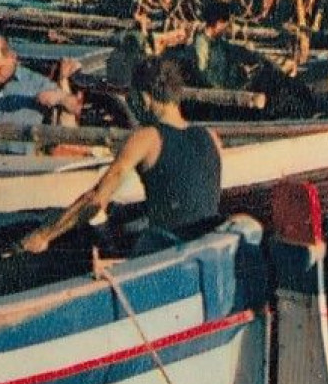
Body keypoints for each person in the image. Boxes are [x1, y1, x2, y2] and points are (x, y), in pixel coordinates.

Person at [22, 56, 221, 257]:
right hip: (210, 245)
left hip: (171, 252)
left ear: (144, 98)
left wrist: (44, 235)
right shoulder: (211, 136)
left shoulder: (147, 138)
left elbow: (96, 200)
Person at [0, 35, 83, 152]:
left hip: (17, 164)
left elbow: (75, 106)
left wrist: (60, 97)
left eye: (0, 68)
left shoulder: (35, 83)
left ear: (12, 58)